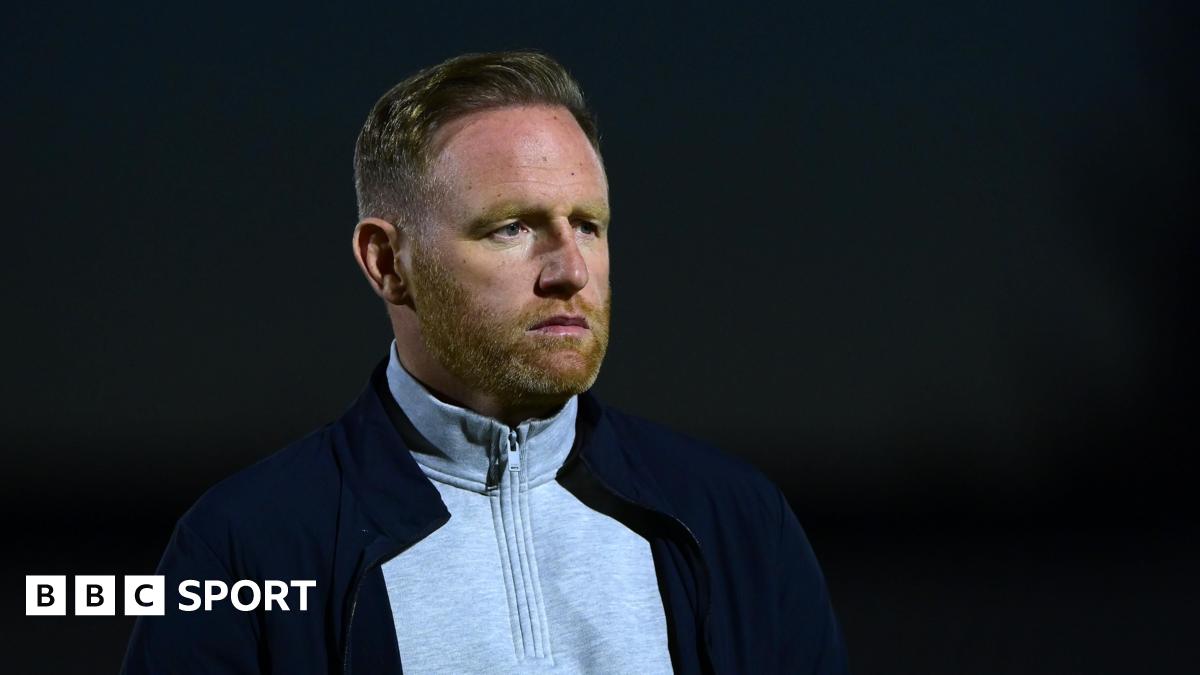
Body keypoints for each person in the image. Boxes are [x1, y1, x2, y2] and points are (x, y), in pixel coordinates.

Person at [121, 50, 848, 674]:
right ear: (388, 262)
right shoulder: (243, 546)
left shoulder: (736, 521)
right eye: (511, 227)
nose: (571, 269)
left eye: (588, 226)